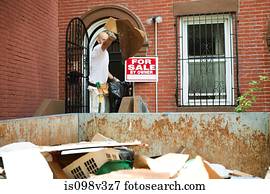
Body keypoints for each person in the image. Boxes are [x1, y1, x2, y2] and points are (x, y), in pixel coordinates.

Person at [88, 31, 119, 113]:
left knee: (102, 109)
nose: (105, 41)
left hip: (102, 86)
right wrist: (111, 38)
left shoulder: (105, 53)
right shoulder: (98, 48)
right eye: (103, 39)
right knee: (96, 110)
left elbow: (105, 70)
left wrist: (114, 79)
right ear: (98, 40)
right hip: (96, 86)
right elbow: (105, 44)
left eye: (107, 39)